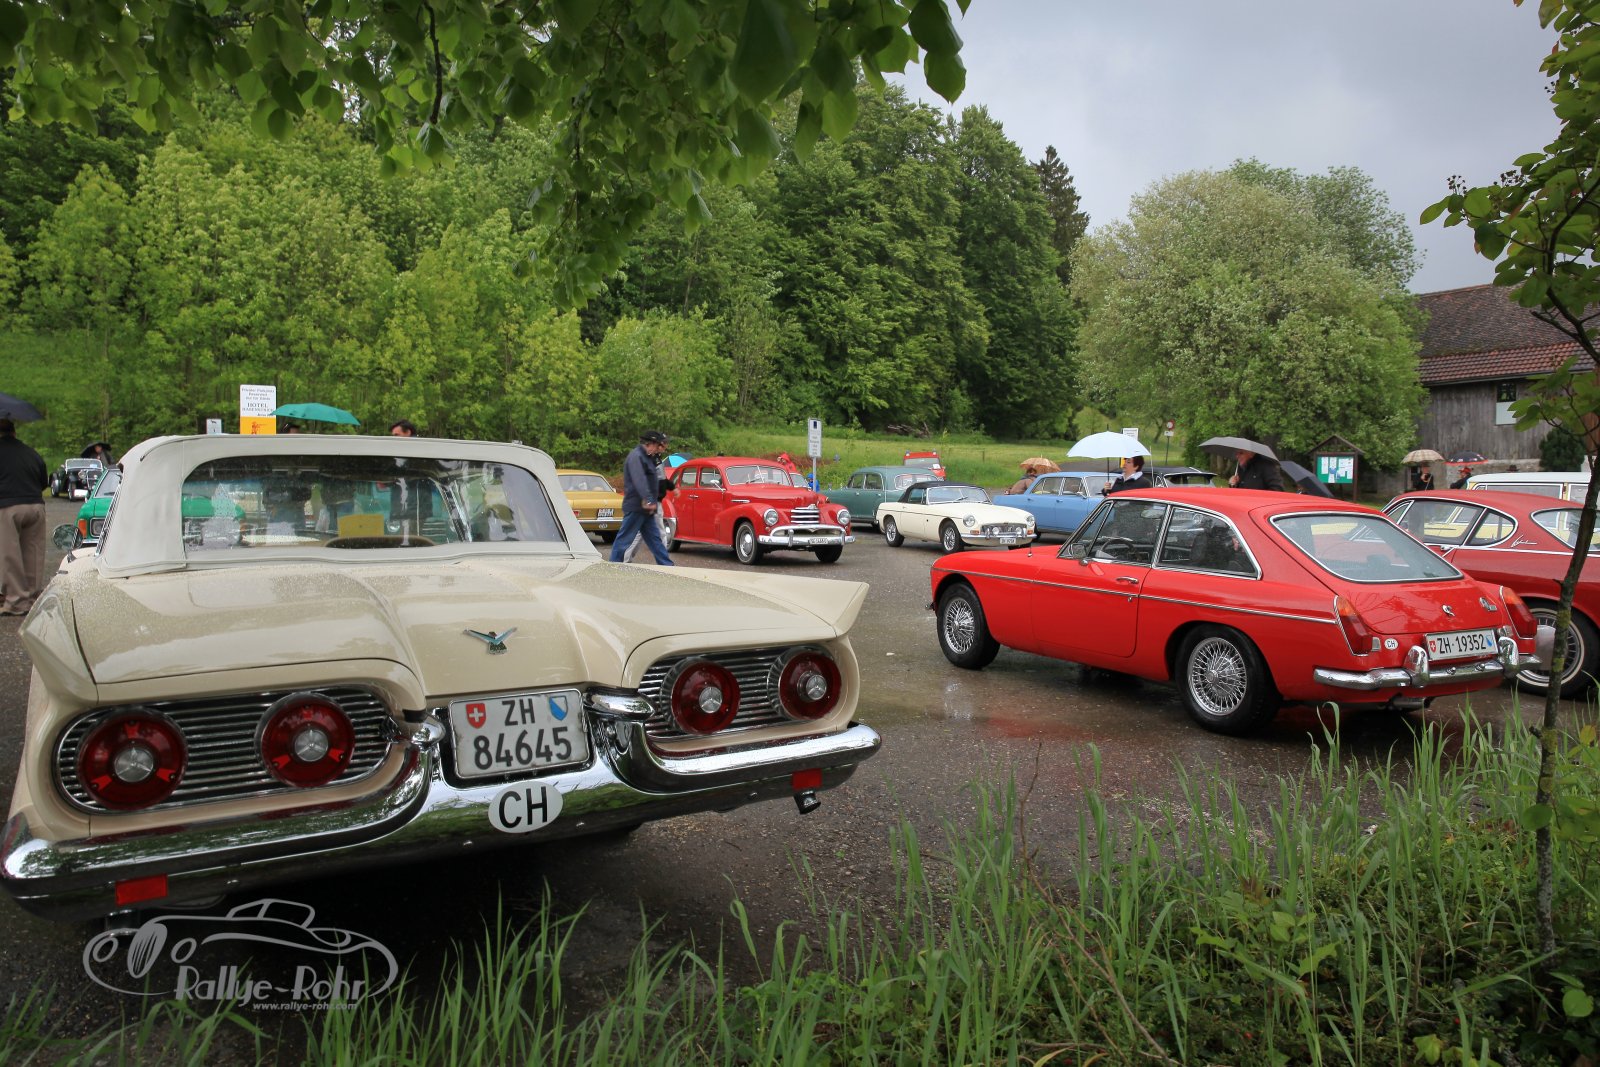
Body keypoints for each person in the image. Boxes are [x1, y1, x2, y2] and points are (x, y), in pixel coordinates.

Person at [0, 418, 49, 616]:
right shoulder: (31, 452)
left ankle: (17, 601)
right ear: (14, 432)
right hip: (36, 506)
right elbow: (44, 481)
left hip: (7, 506)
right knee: (33, 552)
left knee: (9, 555)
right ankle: (33, 598)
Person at [609, 430, 674, 566]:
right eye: (656, 445)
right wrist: (648, 499)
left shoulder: (648, 457)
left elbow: (654, 479)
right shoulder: (636, 457)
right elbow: (639, 479)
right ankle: (613, 564)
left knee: (655, 540)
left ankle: (667, 566)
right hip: (637, 506)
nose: (657, 449)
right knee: (624, 538)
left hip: (646, 509)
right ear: (649, 444)